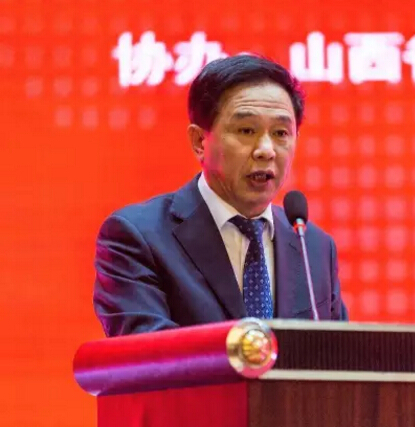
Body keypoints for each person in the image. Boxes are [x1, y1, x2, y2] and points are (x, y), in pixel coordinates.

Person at [92, 54, 348, 337]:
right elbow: (148, 353)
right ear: (199, 142)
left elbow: (340, 353)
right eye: (246, 130)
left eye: (280, 133)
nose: (266, 150)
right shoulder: (138, 237)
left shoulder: (314, 247)